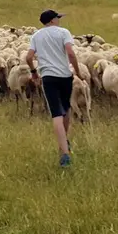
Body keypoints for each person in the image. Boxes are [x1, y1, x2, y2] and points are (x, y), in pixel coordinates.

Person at [26, 9, 82, 168]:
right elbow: (71, 53)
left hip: (48, 77)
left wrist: (33, 73)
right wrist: (77, 72)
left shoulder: (36, 36)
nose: (59, 20)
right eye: (57, 18)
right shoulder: (64, 32)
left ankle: (64, 153)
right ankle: (64, 144)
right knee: (66, 109)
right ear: (51, 20)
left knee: (56, 113)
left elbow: (29, 57)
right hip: (65, 76)